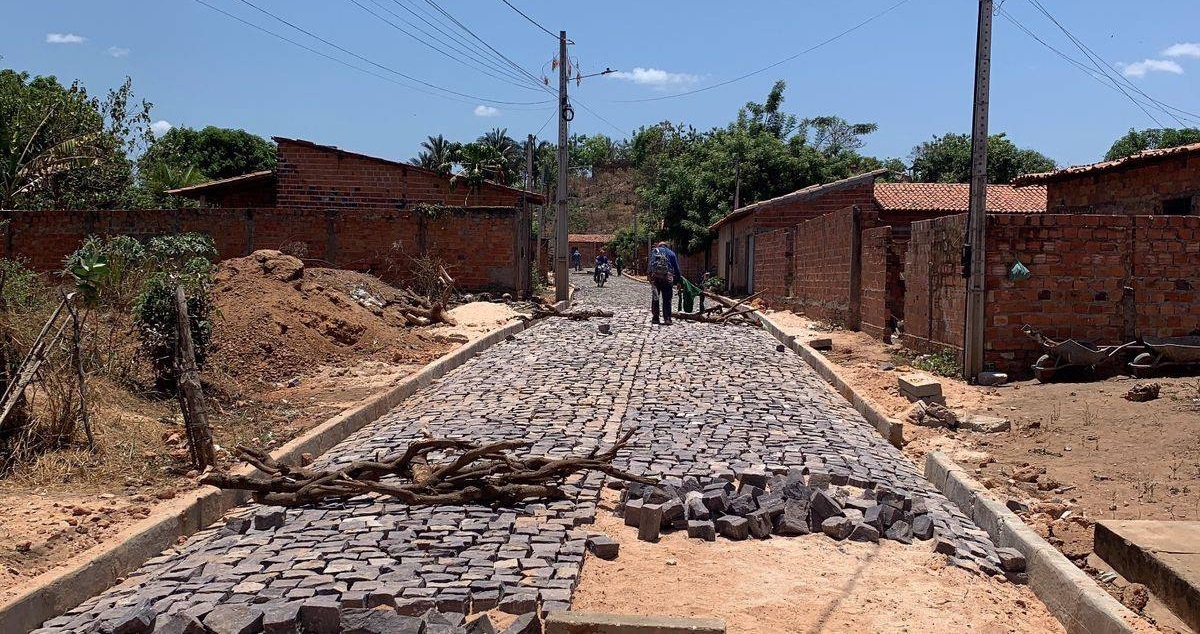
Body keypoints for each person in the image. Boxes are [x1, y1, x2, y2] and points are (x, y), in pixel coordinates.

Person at [647, 241, 682, 325]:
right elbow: (676, 268)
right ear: (667, 246)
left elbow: (650, 264)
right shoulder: (671, 253)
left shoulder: (655, 251)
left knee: (655, 297)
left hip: (655, 278)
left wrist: (648, 275)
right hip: (667, 278)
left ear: (659, 245)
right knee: (667, 299)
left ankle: (655, 318)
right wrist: (678, 281)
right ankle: (667, 319)